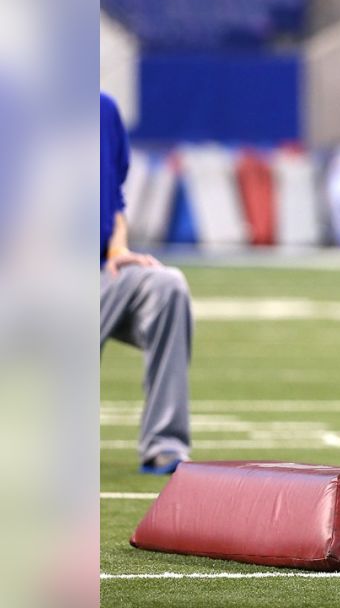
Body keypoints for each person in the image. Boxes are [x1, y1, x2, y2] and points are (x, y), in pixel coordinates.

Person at [100, 93, 193, 475]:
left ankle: (164, 445)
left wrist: (117, 247)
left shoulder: (103, 110)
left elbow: (114, 199)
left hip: (100, 268)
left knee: (166, 285)